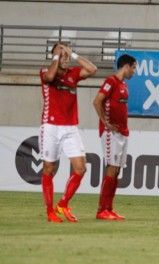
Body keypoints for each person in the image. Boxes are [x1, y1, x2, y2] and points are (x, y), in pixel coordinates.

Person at [40, 42, 97, 223]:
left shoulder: (73, 74)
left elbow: (92, 69)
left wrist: (72, 55)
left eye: (65, 55)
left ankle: (63, 204)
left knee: (81, 167)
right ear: (55, 56)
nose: (64, 57)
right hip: (50, 126)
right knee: (49, 168)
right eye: (61, 54)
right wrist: (56, 56)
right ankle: (50, 211)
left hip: (70, 127)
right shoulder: (45, 72)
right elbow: (50, 76)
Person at [93, 54, 137, 221]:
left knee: (117, 170)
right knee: (111, 168)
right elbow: (97, 101)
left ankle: (109, 208)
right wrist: (106, 122)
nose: (134, 71)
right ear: (126, 66)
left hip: (123, 133)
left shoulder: (123, 85)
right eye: (133, 67)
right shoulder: (111, 81)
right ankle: (101, 209)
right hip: (111, 133)